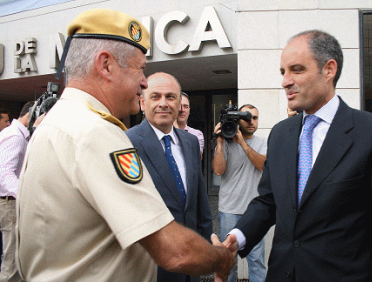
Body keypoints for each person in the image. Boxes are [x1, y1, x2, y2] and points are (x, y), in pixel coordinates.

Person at [16, 9, 236, 282]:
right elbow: (175, 252)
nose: (144, 81)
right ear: (105, 65)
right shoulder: (94, 131)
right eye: (140, 68)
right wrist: (222, 259)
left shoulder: (54, 122)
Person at [227, 30, 372, 281]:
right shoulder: (280, 134)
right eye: (283, 72)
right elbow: (268, 201)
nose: (286, 81)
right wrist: (236, 238)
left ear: (329, 69)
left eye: (296, 69)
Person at [126, 72, 213, 282]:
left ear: (179, 105)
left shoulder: (190, 142)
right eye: (155, 97)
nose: (163, 103)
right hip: (151, 266)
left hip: (191, 265)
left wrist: (205, 250)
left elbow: (199, 202)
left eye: (170, 97)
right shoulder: (126, 143)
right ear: (142, 103)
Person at [213, 104, 267, 282]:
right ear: (238, 119)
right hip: (229, 209)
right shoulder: (226, 141)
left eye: (255, 118)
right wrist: (220, 143)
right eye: (247, 117)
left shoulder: (263, 142)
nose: (251, 121)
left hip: (254, 212)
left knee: (257, 261)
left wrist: (242, 142)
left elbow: (262, 165)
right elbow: (218, 170)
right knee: (227, 260)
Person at [0, 101, 33, 282]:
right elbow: (4, 174)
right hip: (10, 203)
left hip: (9, 202)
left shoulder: (15, 134)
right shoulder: (15, 136)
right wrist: (24, 195)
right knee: (12, 261)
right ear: (31, 114)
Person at [173, 92, 205, 160]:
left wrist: (176, 128)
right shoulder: (163, 132)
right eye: (179, 106)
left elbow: (196, 159)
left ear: (189, 111)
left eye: (186, 106)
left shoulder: (196, 134)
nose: (182, 110)